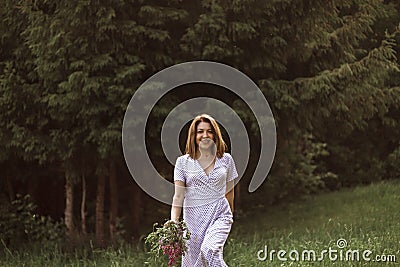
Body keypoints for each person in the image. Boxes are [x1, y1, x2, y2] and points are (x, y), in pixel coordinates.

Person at [169, 114, 238, 266]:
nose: (205, 135)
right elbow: (178, 196)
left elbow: (230, 192)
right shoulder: (182, 163)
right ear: (194, 135)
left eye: (209, 131)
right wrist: (174, 221)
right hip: (192, 222)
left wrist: (229, 216)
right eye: (200, 131)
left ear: (215, 134)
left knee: (209, 250)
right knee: (194, 262)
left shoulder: (226, 159)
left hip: (220, 216)